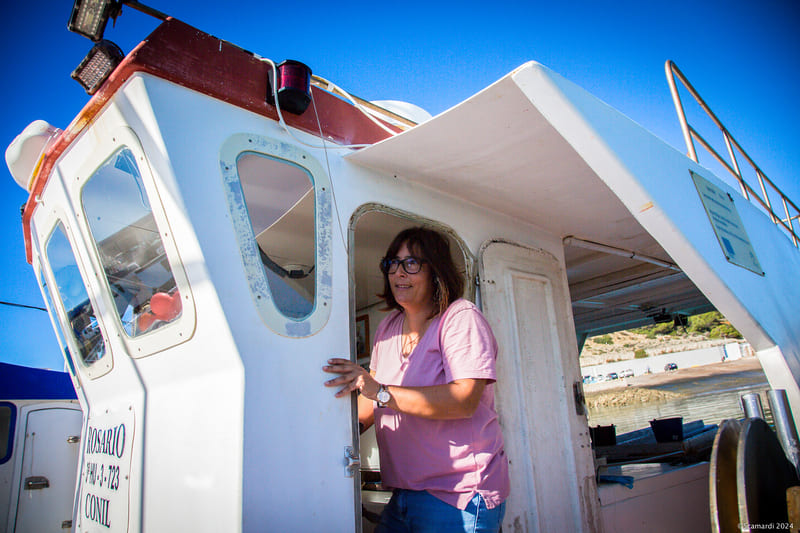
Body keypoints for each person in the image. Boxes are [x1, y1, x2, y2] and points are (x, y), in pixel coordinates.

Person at [323, 227, 509, 533]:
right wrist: (333, 435)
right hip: (404, 491)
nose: (398, 273)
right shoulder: (388, 327)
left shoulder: (460, 318)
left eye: (411, 264)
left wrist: (379, 391)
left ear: (436, 271)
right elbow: (374, 402)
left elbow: (464, 400)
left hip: (458, 496)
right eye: (392, 264)